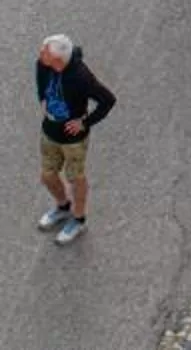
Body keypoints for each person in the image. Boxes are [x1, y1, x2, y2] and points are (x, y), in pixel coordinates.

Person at [34, 33, 117, 245]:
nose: (39, 54)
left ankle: (78, 220)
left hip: (74, 141)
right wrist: (42, 98)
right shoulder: (43, 65)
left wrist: (85, 123)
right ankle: (62, 207)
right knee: (47, 175)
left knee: (75, 178)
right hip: (50, 132)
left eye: (44, 53)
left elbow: (107, 100)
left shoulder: (81, 77)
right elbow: (40, 80)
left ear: (58, 61)